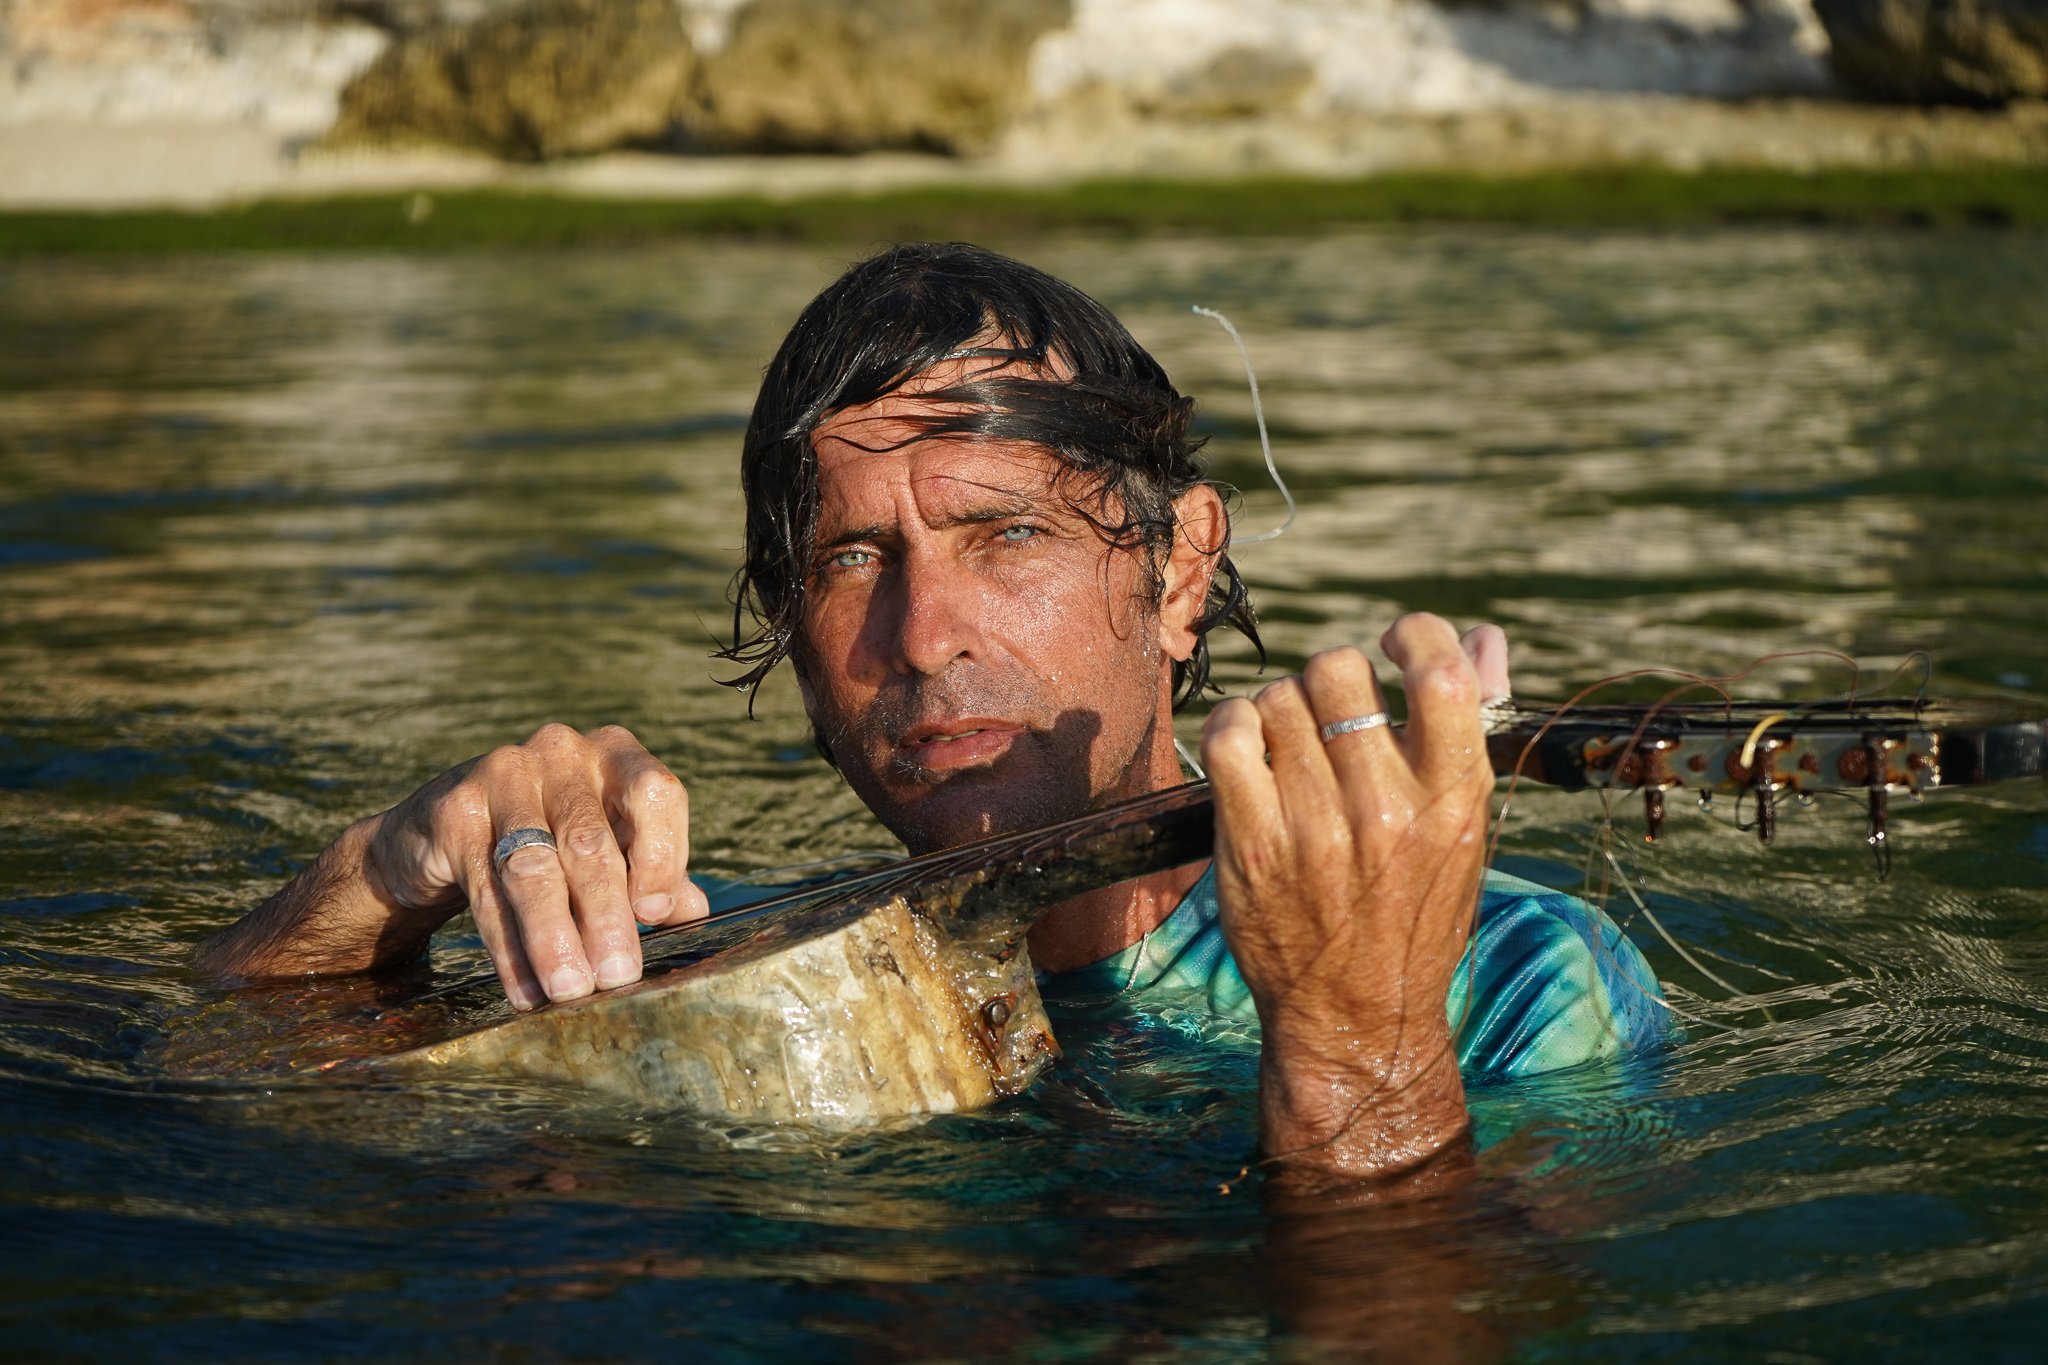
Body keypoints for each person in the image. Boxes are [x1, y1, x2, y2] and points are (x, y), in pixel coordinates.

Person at [199, 242, 1663, 1189]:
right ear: (790, 626)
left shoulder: (1514, 983)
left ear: (1180, 567)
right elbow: (207, 1084)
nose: (923, 632)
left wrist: (1361, 1040)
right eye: (851, 559)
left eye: (1006, 534)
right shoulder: (726, 955)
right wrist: (381, 874)